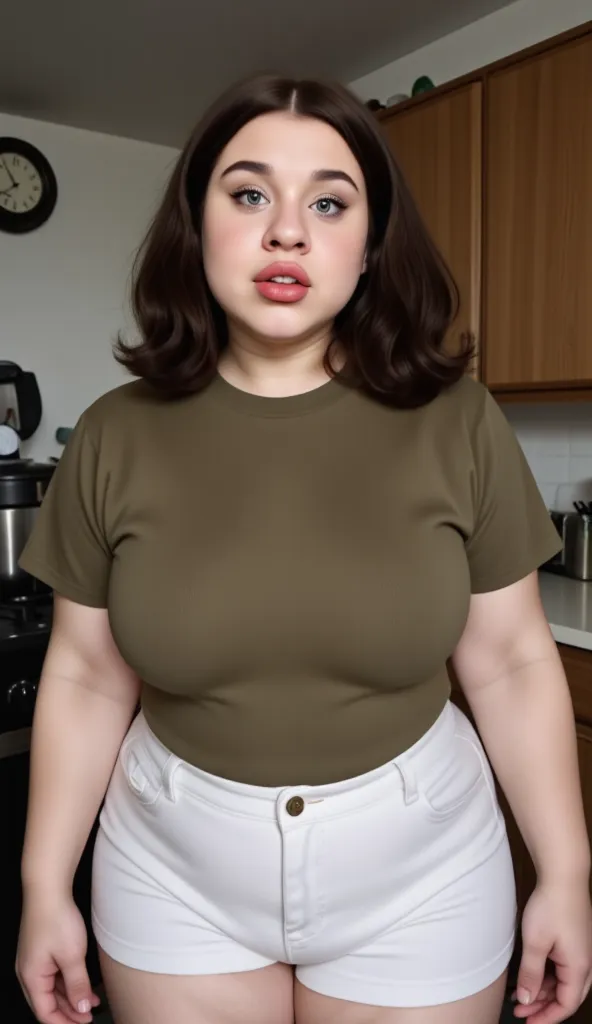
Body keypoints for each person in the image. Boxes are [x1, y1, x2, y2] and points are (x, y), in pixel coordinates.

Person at [15, 72, 592, 1024]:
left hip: (423, 876)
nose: (288, 231)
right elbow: (84, 674)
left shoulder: (459, 421)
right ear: (197, 230)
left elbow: (514, 661)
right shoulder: (113, 434)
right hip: (171, 871)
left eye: (330, 202)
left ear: (369, 248)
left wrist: (566, 872)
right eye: (249, 195)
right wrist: (44, 886)